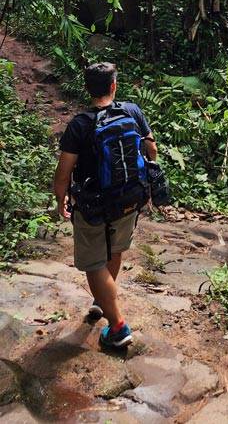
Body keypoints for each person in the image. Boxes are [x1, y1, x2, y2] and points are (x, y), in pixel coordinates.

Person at [53, 62, 157, 349]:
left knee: (92, 262)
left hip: (93, 205)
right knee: (115, 249)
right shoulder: (132, 111)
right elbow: (152, 149)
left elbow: (63, 173)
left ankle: (118, 326)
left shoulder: (80, 124)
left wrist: (60, 199)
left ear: (88, 89)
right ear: (114, 86)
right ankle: (102, 299)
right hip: (129, 198)